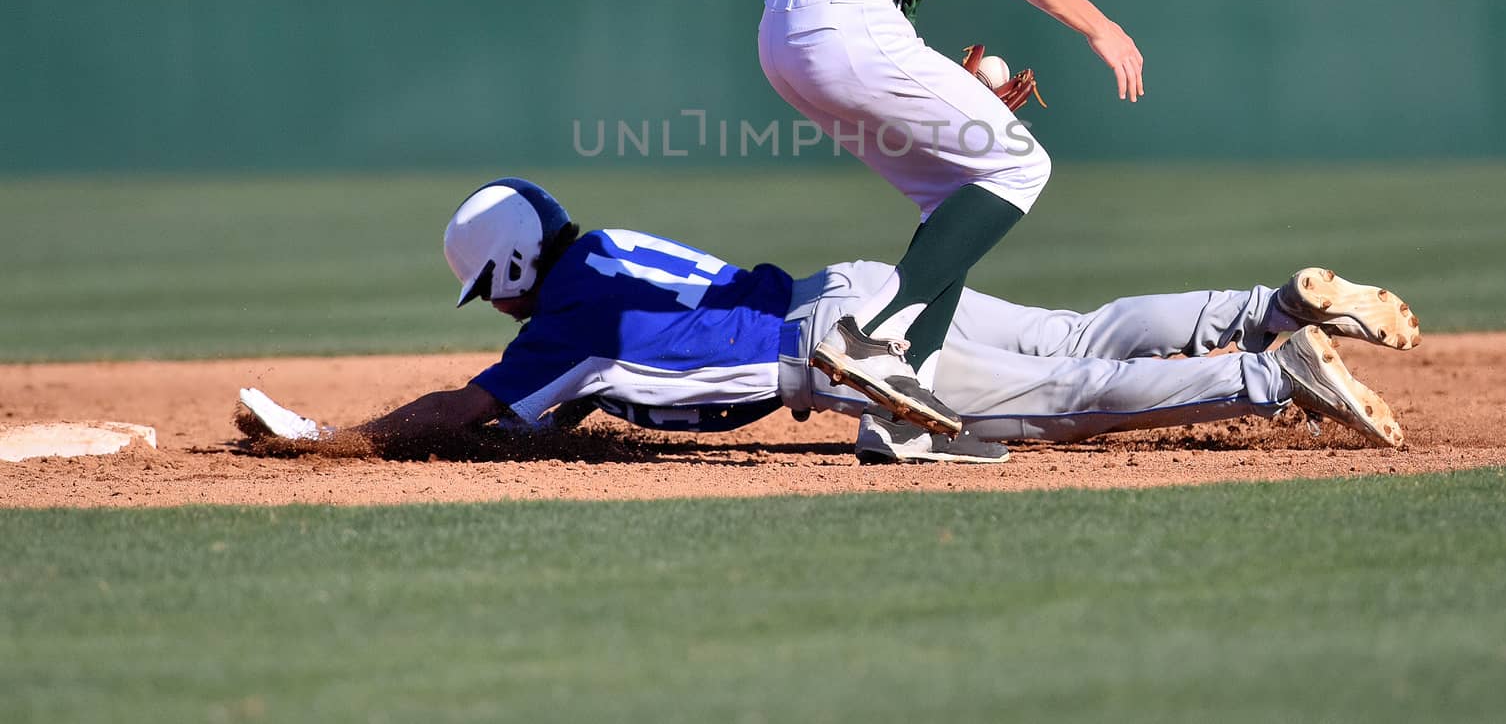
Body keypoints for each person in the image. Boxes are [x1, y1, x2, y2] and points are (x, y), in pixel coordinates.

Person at [238, 179, 1420, 464]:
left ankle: (1280, 377)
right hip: (843, 285)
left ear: (503, 267)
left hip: (841, 354)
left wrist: (325, 443)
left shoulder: (563, 320)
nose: (490, 307)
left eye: (483, 286)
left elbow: (471, 410)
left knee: (1056, 401)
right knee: (1074, 333)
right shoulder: (602, 252)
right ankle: (1266, 308)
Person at [759, 0, 1146, 438]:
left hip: (789, 26)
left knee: (955, 191)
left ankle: (904, 421)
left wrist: (934, 82)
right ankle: (865, 334)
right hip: (851, 23)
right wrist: (1101, 26)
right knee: (1020, 165)